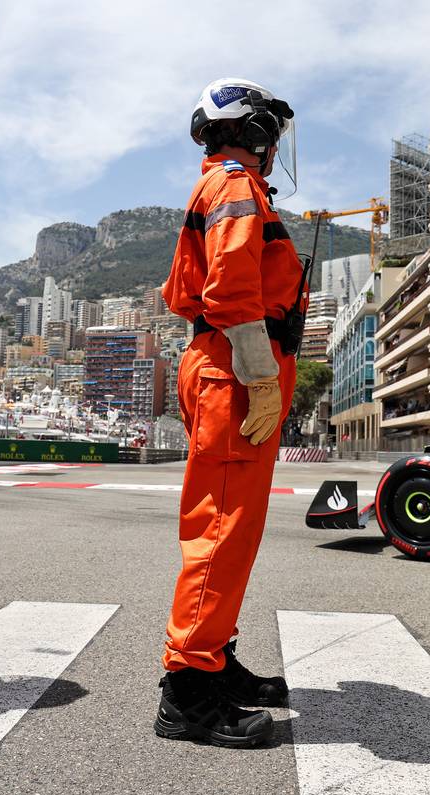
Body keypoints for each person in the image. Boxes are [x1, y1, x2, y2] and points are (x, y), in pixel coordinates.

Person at [157, 77, 301, 747]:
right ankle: (188, 687)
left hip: (227, 364)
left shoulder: (227, 184)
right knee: (221, 526)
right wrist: (261, 373)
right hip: (236, 367)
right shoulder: (237, 186)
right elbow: (234, 287)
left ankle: (214, 654)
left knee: (231, 528)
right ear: (260, 134)